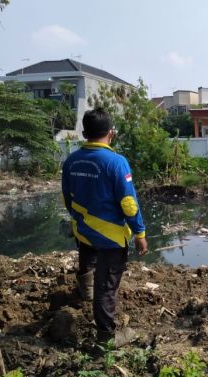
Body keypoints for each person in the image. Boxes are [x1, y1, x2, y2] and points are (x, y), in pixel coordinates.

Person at [62, 108, 148, 346]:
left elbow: (66, 198)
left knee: (88, 260)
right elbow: (128, 203)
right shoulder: (116, 162)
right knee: (106, 287)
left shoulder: (71, 160)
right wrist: (139, 233)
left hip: (83, 229)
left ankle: (85, 293)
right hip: (110, 237)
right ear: (111, 133)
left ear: (84, 133)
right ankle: (106, 337)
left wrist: (80, 219)